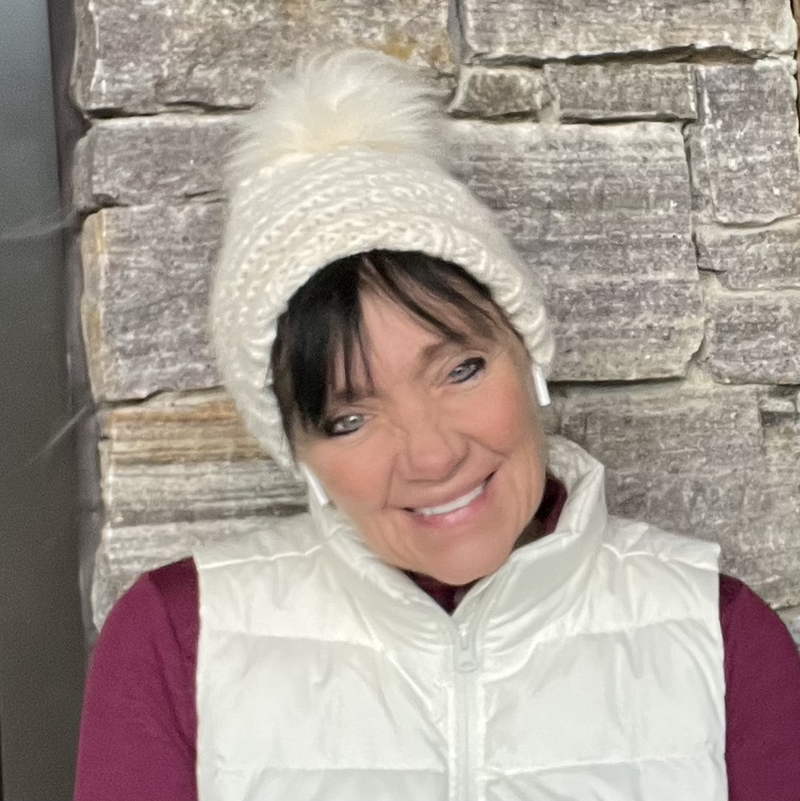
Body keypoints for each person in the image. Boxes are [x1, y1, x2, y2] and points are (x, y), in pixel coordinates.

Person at [74, 50, 800, 801]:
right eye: (349, 417)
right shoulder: (179, 639)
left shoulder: (721, 638)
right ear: (297, 451)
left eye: (461, 370)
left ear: (528, 356)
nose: (431, 454)